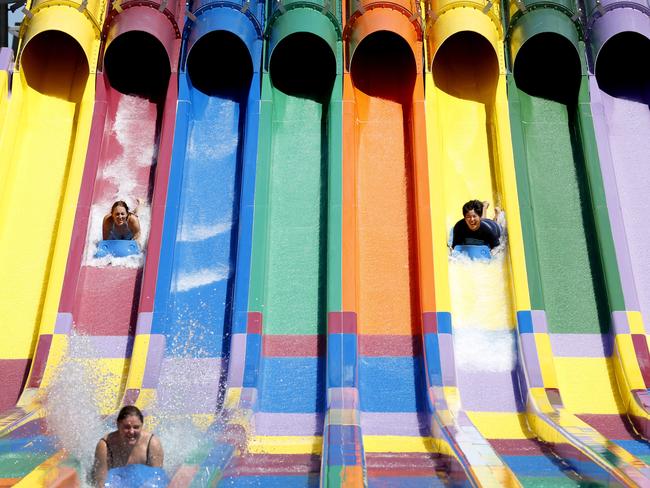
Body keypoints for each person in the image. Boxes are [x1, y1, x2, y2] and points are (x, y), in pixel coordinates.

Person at [92, 405, 163, 487]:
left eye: (136, 427)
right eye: (126, 427)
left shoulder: (152, 443)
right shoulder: (105, 445)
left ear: (142, 425)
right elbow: (101, 483)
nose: (131, 431)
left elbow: (157, 479)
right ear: (118, 425)